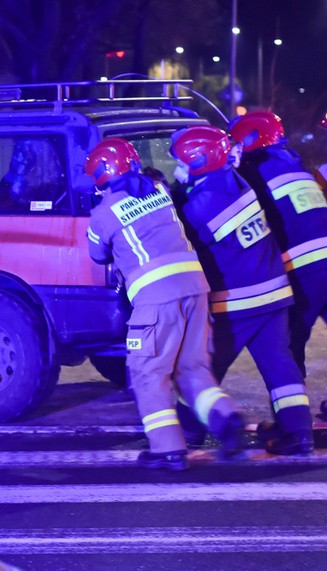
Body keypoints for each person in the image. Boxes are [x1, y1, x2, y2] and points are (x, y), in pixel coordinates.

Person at [85, 137, 243, 471]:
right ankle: (226, 417)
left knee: (147, 372)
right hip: (196, 289)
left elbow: (97, 255)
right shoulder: (158, 190)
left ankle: (168, 449)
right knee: (193, 368)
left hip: (156, 300)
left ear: (101, 172)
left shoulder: (102, 214)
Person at [169, 124, 314, 455]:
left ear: (199, 161)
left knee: (204, 366)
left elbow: (184, 233)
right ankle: (299, 432)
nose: (178, 168)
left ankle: (187, 430)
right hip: (275, 293)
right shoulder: (238, 183)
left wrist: (168, 197)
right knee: (280, 365)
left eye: (181, 161)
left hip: (237, 302)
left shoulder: (202, 205)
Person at [230, 110, 327, 422]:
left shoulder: (255, 170)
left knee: (290, 341)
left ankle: (292, 422)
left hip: (305, 268)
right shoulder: (292, 162)